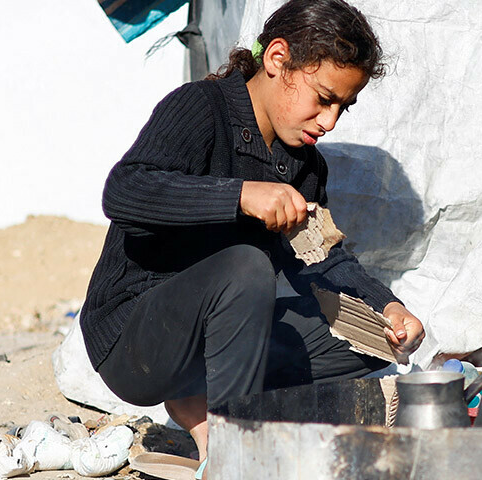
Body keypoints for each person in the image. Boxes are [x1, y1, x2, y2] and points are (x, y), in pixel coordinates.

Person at [80, 0, 425, 477]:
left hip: (216, 339)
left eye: (343, 107)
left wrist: (386, 306)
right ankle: (230, 451)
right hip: (135, 340)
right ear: (277, 59)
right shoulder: (199, 107)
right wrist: (239, 195)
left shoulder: (304, 165)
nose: (330, 122)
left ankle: (210, 407)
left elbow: (320, 259)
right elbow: (125, 191)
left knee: (366, 338)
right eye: (324, 98)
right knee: (246, 266)